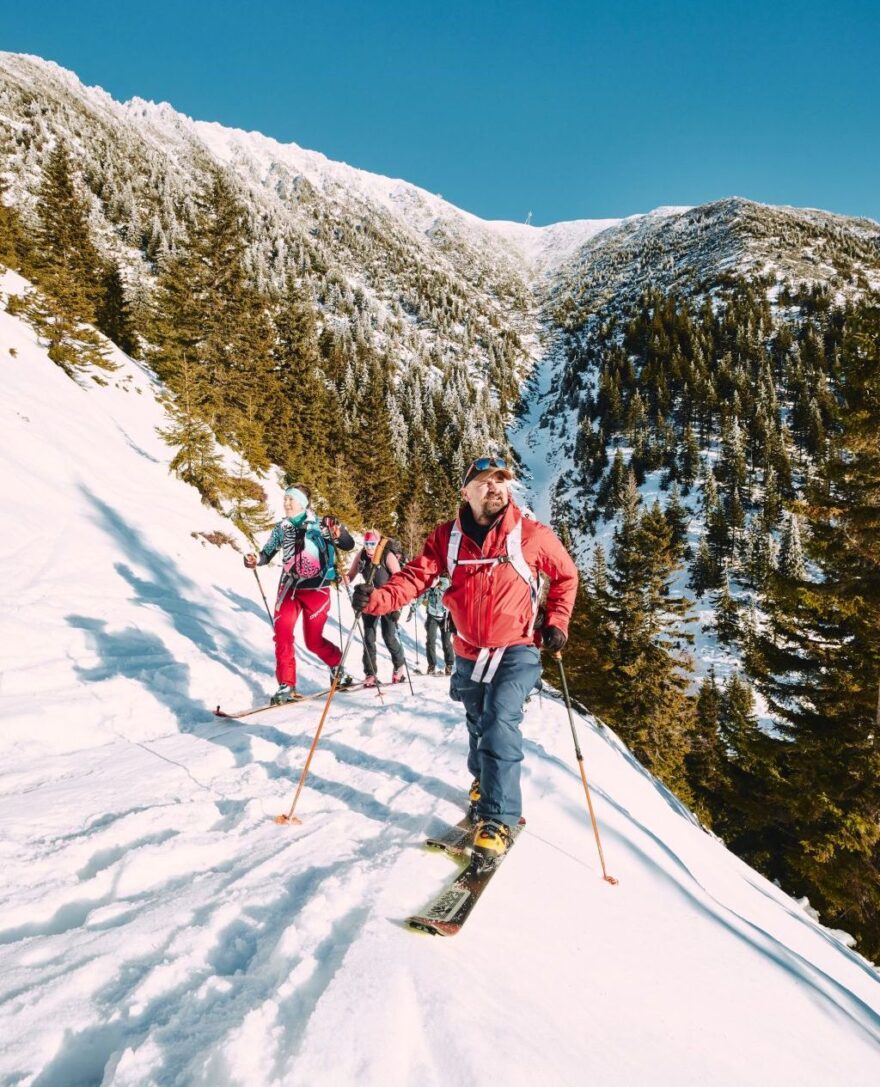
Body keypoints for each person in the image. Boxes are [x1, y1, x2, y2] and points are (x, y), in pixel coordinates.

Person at [353, 456, 578, 866]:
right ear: (466, 492)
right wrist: (377, 599)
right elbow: (415, 577)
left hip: (517, 648)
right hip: (469, 649)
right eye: (485, 481)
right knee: (477, 721)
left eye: (500, 481)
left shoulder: (531, 534)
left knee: (499, 720)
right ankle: (483, 782)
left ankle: (498, 819)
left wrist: (557, 621)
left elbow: (565, 576)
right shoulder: (447, 538)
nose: (495, 488)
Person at [244, 484, 355, 703]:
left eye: (291, 499)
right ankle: (286, 684)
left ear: (303, 504)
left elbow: (348, 544)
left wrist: (338, 533)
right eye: (285, 499)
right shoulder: (282, 527)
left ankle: (336, 665)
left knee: (313, 641)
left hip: (316, 589)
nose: (286, 503)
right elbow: (267, 553)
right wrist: (255, 560)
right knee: (282, 635)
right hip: (289, 587)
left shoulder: (321, 525)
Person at [348, 530, 407, 686]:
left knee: (389, 637)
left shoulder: (387, 556)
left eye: (372, 544)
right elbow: (351, 575)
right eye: (366, 543)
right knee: (368, 637)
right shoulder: (361, 555)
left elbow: (400, 581)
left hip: (388, 601)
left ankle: (399, 667)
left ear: (378, 543)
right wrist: (342, 578)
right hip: (369, 600)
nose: (369, 547)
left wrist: (397, 606)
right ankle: (370, 674)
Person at [410, 577, 455, 675]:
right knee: (430, 641)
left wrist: (436, 587)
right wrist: (413, 608)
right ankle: (431, 666)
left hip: (445, 617)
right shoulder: (429, 586)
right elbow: (422, 597)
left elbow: (448, 596)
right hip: (432, 616)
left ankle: (449, 665)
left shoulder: (445, 584)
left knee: (446, 642)